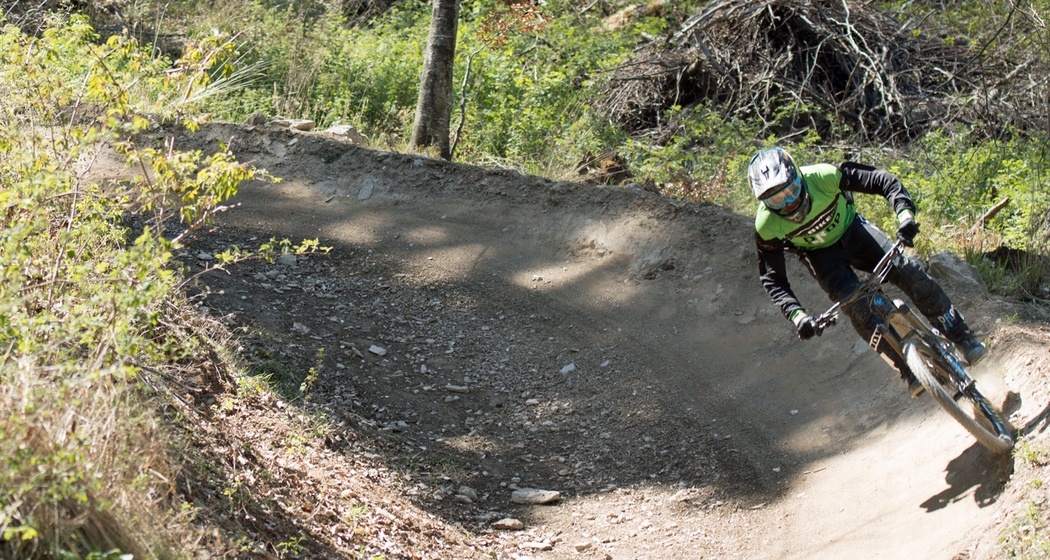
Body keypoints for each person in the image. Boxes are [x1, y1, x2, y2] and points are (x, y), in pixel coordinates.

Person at [747, 146, 987, 397]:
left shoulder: (824, 176)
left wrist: (905, 216)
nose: (788, 203)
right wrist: (798, 317)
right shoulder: (766, 226)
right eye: (775, 200)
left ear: (799, 177)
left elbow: (882, 180)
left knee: (908, 272)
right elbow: (773, 278)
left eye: (791, 191)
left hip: (856, 234)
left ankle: (962, 337)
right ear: (764, 203)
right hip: (822, 259)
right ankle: (908, 369)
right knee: (859, 310)